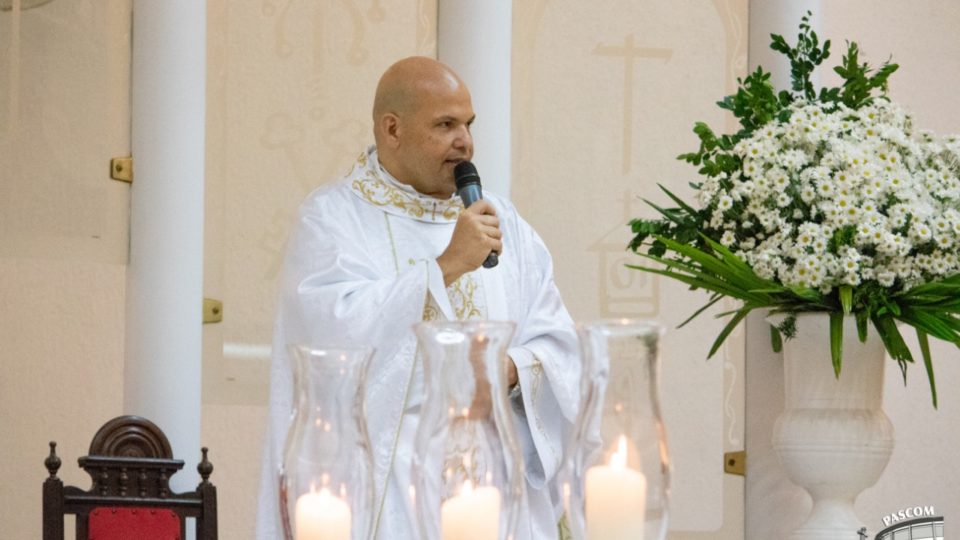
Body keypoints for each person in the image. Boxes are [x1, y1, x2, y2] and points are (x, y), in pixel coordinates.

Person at [256, 56, 579, 539]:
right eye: (445, 125)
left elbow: (558, 341)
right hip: (392, 494)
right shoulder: (333, 219)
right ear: (392, 129)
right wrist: (446, 267)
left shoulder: (504, 223)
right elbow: (331, 345)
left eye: (468, 124)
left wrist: (511, 370)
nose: (464, 141)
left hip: (496, 488)